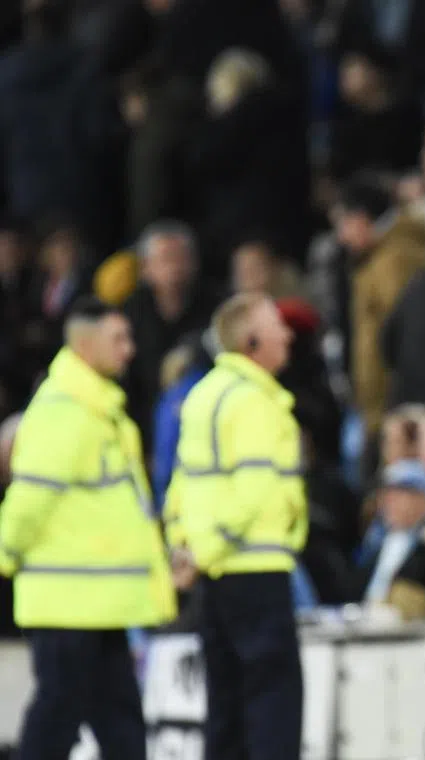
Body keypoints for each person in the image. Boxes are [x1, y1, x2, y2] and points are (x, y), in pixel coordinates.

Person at [0, 297, 176, 760]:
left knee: (122, 728)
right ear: (84, 345)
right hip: (67, 604)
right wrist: (3, 554)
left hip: (99, 604)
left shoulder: (96, 410)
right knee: (59, 718)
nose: (130, 349)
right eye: (118, 338)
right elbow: (29, 500)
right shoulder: (63, 412)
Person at [164, 293, 306, 760]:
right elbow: (255, 490)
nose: (287, 334)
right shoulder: (255, 401)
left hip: (215, 573)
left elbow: (181, 484)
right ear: (251, 341)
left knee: (225, 704)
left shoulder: (203, 393)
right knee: (273, 702)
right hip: (255, 567)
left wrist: (188, 549)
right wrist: (216, 547)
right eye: (276, 326)